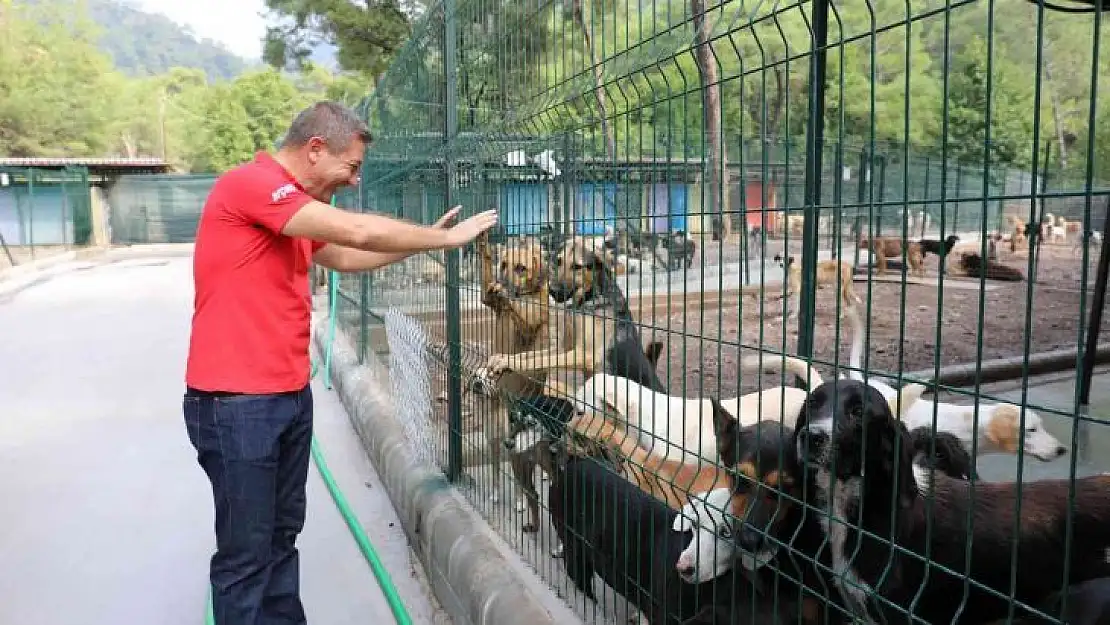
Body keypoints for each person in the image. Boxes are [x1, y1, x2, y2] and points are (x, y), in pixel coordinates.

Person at [182, 101, 498, 625]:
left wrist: (420, 245)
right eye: (350, 167)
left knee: (281, 537)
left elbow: (348, 256)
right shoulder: (252, 186)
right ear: (314, 149)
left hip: (285, 397)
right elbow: (359, 234)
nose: (353, 181)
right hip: (237, 405)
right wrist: (443, 238)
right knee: (246, 555)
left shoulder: (291, 211)